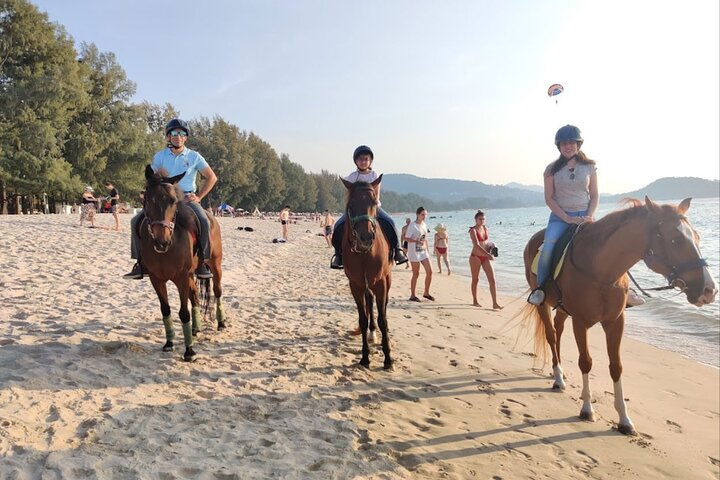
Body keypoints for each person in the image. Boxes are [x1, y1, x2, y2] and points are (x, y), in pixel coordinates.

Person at [123, 118, 217, 280]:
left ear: (185, 137)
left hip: (187, 199)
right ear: (168, 136)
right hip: (165, 200)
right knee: (135, 221)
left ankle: (202, 262)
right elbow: (152, 179)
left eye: (181, 133)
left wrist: (199, 196)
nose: (177, 136)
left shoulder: (194, 156)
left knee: (204, 221)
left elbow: (211, 177)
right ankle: (140, 263)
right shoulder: (160, 156)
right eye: (173, 133)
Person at [527, 125, 598, 306]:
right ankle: (541, 289)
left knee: (607, 243)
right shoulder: (551, 169)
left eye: (572, 143)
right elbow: (549, 199)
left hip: (585, 215)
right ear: (559, 146)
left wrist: (589, 216)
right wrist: (567, 218)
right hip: (560, 217)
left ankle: (623, 289)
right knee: (549, 246)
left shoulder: (589, 166)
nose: (568, 146)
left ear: (578, 144)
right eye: (564, 143)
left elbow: (595, 195)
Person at [330, 145, 408, 269]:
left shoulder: (374, 175)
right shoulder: (352, 177)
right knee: (338, 225)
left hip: (372, 208)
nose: (363, 161)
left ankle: (397, 250)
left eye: (366, 159)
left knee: (390, 222)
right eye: (360, 159)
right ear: (356, 161)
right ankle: (338, 254)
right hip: (355, 210)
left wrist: (374, 204)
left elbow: (376, 194)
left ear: (370, 161)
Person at [469, 210, 502, 309]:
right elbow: (476, 245)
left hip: (485, 256)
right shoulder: (473, 230)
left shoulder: (485, 228)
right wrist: (488, 255)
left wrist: (492, 246)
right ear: (476, 219)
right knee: (475, 279)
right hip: (475, 257)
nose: (482, 221)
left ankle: (495, 303)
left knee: (492, 280)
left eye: (483, 219)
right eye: (480, 219)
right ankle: (475, 300)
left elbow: (485, 242)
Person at [406, 207, 434, 302]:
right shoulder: (412, 225)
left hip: (423, 251)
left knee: (430, 272)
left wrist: (428, 249)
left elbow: (425, 238)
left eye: (425, 214)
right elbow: (406, 238)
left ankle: (426, 293)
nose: (424, 216)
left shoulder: (424, 224)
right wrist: (415, 241)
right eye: (422, 214)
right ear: (417, 214)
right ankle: (412, 295)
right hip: (414, 252)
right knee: (416, 274)